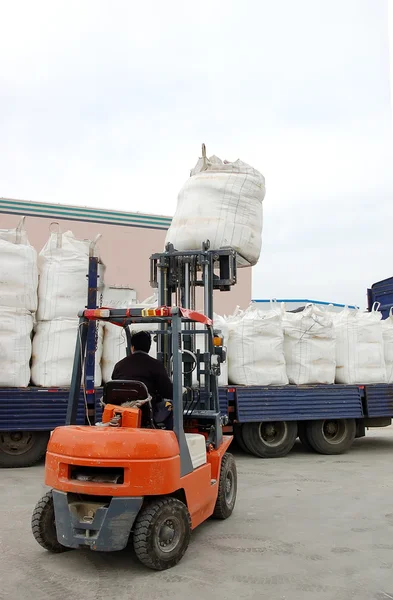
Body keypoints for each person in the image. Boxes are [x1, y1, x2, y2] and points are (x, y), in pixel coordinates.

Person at [111, 330, 173, 429]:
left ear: (132, 347)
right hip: (146, 413)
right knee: (172, 405)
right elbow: (168, 392)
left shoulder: (119, 365)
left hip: (120, 412)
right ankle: (171, 440)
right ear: (148, 348)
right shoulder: (156, 365)